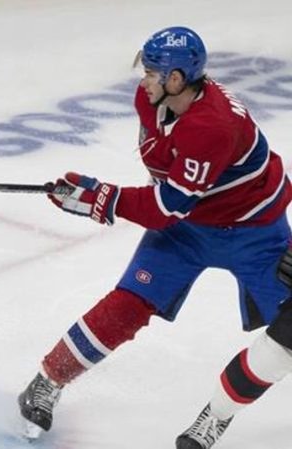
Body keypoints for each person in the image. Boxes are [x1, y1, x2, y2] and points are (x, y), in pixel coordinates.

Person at [17, 26, 292, 449]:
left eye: (152, 72)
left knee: (290, 330)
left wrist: (103, 198)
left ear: (178, 79)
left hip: (254, 231)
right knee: (130, 302)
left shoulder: (211, 127)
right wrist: (90, 193)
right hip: (189, 227)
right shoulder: (150, 102)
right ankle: (48, 380)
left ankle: (215, 417)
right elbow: (165, 178)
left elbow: (167, 209)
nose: (143, 80)